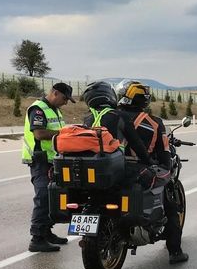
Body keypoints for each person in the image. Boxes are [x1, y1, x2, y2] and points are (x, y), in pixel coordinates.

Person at [115, 80, 189, 264]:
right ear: (143, 100)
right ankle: (175, 252)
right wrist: (165, 166)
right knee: (171, 207)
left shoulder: (111, 116)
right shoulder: (153, 122)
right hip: (140, 170)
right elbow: (164, 151)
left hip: (112, 169)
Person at [22, 82, 75, 252]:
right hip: (40, 160)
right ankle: (37, 238)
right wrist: (65, 134)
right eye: (65, 98)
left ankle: (47, 232)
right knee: (43, 197)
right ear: (54, 93)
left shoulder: (54, 110)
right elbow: (39, 133)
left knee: (54, 197)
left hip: (54, 160)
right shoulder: (37, 109)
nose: (66, 102)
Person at [80, 81, 152, 165]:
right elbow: (136, 144)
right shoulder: (120, 116)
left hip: (92, 163)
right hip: (115, 165)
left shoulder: (87, 118)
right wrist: (150, 162)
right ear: (109, 95)